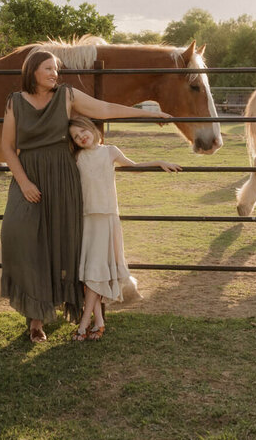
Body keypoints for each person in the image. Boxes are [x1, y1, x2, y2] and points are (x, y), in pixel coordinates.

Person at [0, 49, 173, 343]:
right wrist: (24, 182)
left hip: (63, 178)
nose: (55, 74)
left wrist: (148, 113)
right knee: (19, 237)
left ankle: (39, 321)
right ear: (32, 71)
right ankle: (35, 311)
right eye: (48, 69)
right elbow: (6, 146)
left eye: (56, 69)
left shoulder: (67, 96)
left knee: (60, 244)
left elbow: (104, 109)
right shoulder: (15, 102)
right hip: (27, 175)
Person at [67, 114, 181, 341]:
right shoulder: (77, 158)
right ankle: (98, 322)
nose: (81, 137)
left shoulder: (110, 151)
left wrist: (158, 162)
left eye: (83, 131)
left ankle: (84, 324)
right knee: (90, 273)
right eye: (76, 136)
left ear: (92, 128)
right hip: (85, 219)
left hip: (106, 218)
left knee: (94, 273)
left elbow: (134, 166)